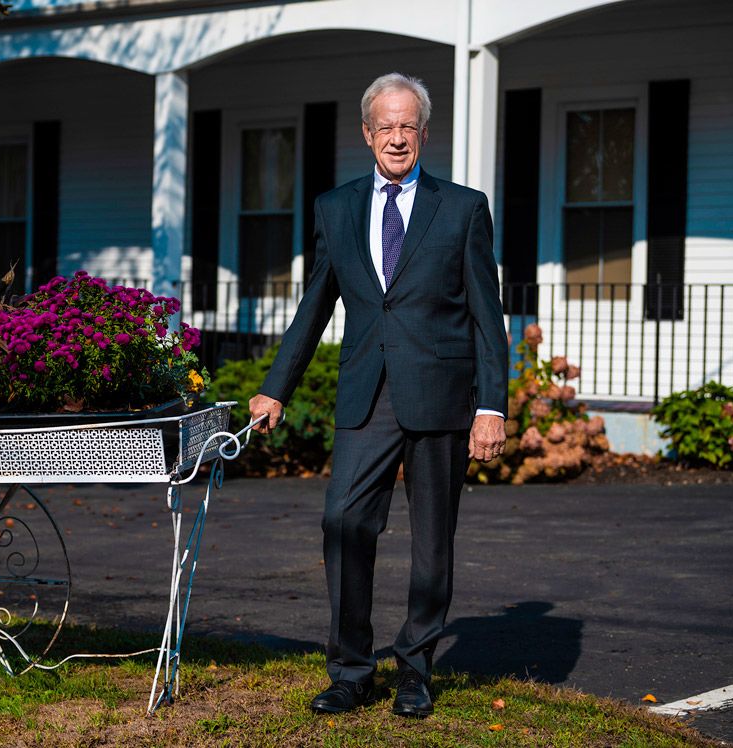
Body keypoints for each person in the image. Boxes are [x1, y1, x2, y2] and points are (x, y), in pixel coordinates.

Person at [248, 72, 508, 719]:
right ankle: (351, 670)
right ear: (367, 133)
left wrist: (491, 405)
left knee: (431, 544)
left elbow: (487, 316)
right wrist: (274, 387)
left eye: (407, 126)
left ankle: (415, 668)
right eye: (385, 126)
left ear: (425, 133)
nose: (397, 137)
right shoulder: (335, 208)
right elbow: (315, 304)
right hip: (367, 395)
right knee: (343, 520)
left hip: (441, 395)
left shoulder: (463, 208)